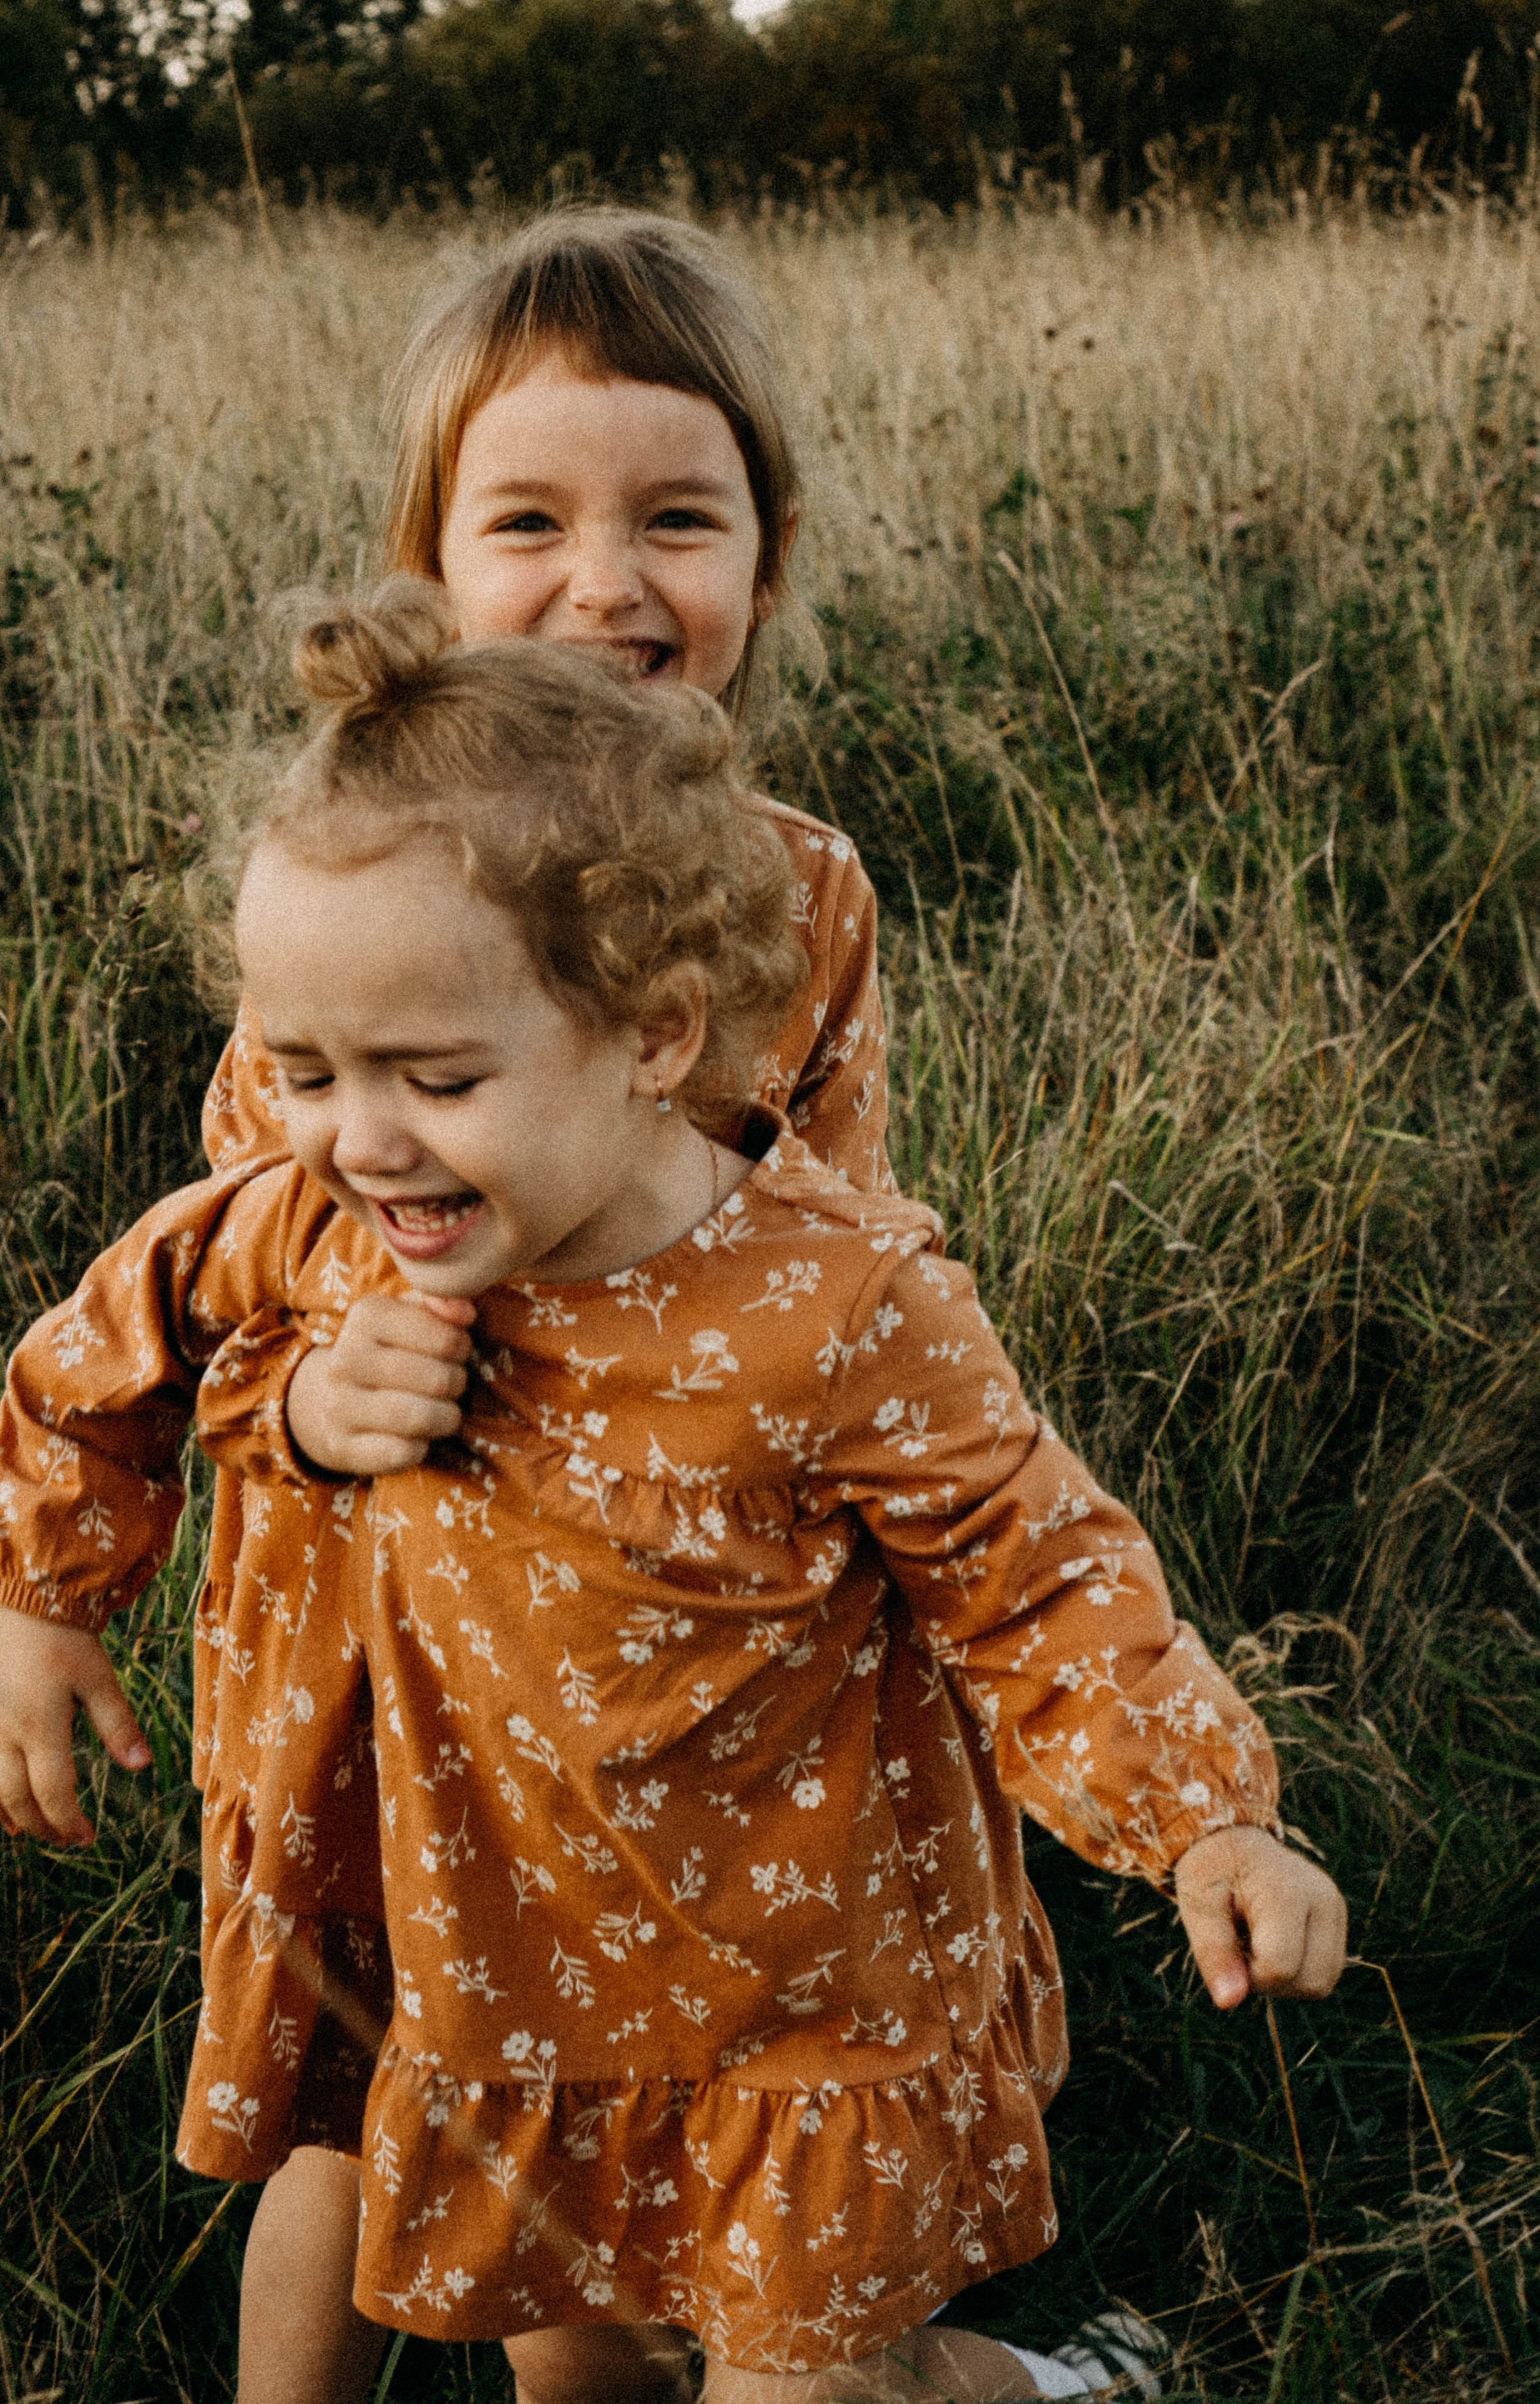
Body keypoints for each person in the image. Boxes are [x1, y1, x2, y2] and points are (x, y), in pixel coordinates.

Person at [0, 592, 1347, 2404]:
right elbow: (112, 1343)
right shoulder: (324, 1224)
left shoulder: (838, 1305)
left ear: (652, 1037)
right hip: (518, 1975)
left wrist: (1208, 1821)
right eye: (305, 1071)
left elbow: (1034, 1576)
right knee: (588, 2381)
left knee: (810, 2381)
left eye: (437, 1076)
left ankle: (1031, 2387)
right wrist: (41, 1600)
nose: (358, 1138)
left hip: (805, 1998)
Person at [6, 207, 897, 2404]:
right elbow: (217, 1287)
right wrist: (297, 1417)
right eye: (529, 521)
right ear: (430, 571)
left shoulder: (801, 897)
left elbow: (840, 1262)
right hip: (373, 1619)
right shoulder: (361, 893)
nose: (607, 582)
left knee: (596, 2081)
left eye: (675, 518)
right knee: (349, 2084)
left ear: (764, 560)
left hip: (646, 1627)